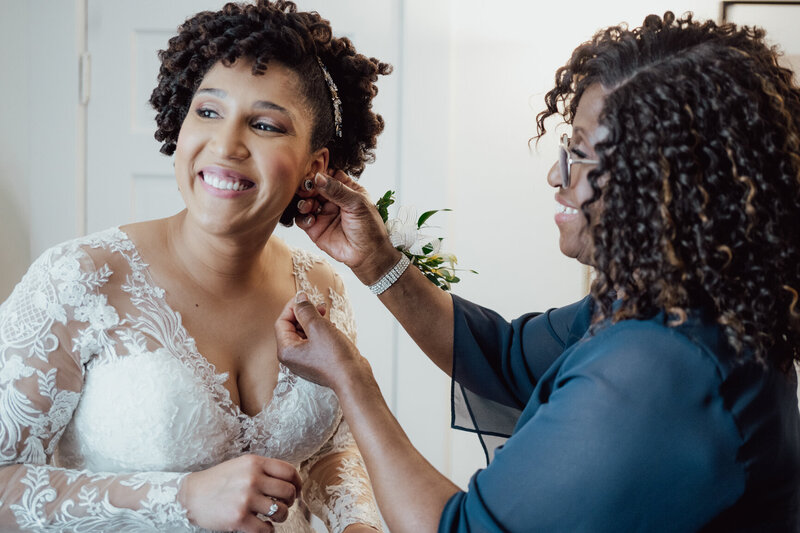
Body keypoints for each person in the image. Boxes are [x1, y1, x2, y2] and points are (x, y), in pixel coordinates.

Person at [275, 11, 800, 532]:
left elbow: (459, 530)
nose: (556, 174)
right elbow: (503, 356)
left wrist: (351, 376)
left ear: (666, 181)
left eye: (580, 153)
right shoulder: (662, 301)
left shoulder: (663, 371)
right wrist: (377, 261)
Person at [0, 1, 391, 532]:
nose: (226, 145)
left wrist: (355, 525)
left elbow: (329, 449)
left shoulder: (318, 286)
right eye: (207, 112)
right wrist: (181, 498)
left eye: (264, 124)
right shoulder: (77, 279)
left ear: (315, 166)